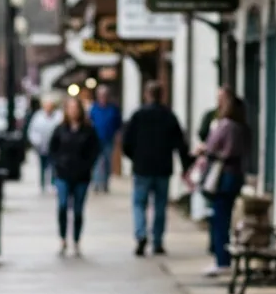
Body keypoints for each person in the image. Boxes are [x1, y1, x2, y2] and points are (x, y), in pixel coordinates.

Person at [121, 80, 191, 257]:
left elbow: (126, 142)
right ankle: (157, 240)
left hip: (142, 167)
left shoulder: (138, 116)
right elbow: (180, 144)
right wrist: (186, 166)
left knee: (139, 204)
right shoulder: (169, 116)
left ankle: (141, 234)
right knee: (159, 206)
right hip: (162, 167)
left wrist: (135, 158)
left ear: (146, 94)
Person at [192, 92, 249, 276]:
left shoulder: (225, 126)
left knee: (219, 218)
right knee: (223, 216)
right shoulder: (242, 127)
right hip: (235, 176)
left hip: (223, 176)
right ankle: (222, 257)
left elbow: (211, 146)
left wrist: (203, 150)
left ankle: (221, 259)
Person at [49, 96, 101, 256]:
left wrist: (87, 165)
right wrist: (58, 164)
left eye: (75, 108)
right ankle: (63, 238)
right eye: (70, 108)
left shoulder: (88, 130)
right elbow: (53, 149)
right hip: (63, 174)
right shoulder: (60, 129)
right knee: (63, 206)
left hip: (82, 176)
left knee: (78, 210)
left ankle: (76, 239)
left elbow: (95, 150)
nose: (73, 111)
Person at [88, 85, 123, 193]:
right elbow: (89, 122)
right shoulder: (93, 108)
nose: (103, 97)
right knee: (97, 162)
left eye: (105, 95)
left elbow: (118, 124)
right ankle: (97, 183)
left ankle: (105, 184)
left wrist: (118, 136)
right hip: (96, 140)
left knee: (107, 162)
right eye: (101, 95)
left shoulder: (113, 108)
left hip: (109, 139)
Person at [25, 95, 62, 192]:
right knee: (43, 165)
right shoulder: (38, 116)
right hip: (42, 147)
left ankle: (53, 183)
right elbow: (32, 131)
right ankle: (43, 184)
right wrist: (37, 141)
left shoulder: (58, 116)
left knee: (54, 165)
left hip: (55, 147)